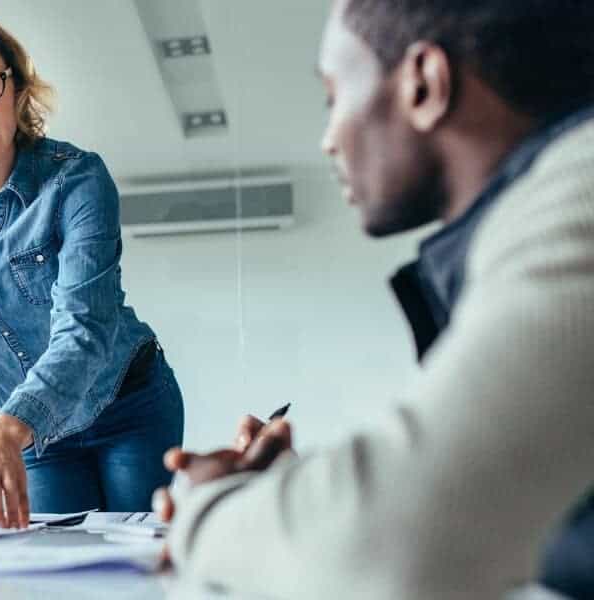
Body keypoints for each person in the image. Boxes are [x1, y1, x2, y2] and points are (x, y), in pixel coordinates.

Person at [155, 1, 594, 598]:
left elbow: (388, 545)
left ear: (424, 85)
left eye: (334, 96)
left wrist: (207, 505)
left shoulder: (579, 194)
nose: (328, 138)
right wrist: (296, 503)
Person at [0, 8, 184, 527]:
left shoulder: (78, 181)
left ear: (17, 89)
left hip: (128, 406)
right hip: (36, 435)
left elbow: (85, 329)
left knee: (134, 565)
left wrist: (8, 424)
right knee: (52, 565)